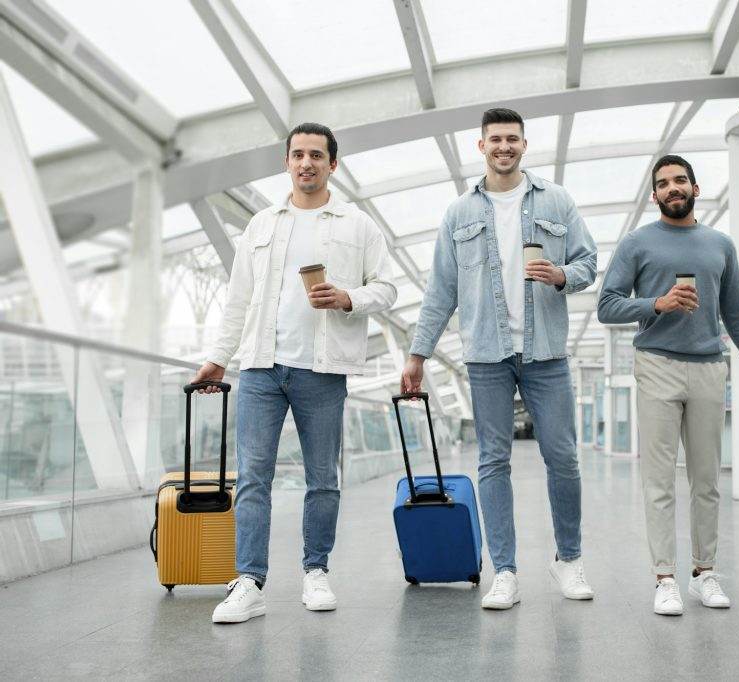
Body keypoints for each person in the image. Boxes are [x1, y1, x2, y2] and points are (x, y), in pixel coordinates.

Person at [191, 123, 397, 623]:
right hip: (261, 368)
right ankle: (249, 581)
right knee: (253, 479)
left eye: (317, 155)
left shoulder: (357, 225)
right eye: (298, 154)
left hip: (323, 371)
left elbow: (387, 288)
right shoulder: (261, 225)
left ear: (333, 163)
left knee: (323, 479)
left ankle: (316, 571)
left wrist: (349, 297)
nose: (307, 163)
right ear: (287, 162)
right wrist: (219, 356)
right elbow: (239, 301)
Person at [401, 108, 598, 610]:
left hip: (546, 351)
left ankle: (568, 559)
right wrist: (418, 353)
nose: (504, 147)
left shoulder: (557, 200)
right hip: (486, 352)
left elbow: (588, 262)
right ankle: (505, 570)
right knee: (493, 461)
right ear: (481, 146)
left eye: (512, 139)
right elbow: (441, 290)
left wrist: (560, 275)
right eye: (496, 139)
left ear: (524, 145)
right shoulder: (459, 213)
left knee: (564, 458)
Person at [597, 154, 739, 616]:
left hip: (708, 368)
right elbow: (606, 306)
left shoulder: (720, 245)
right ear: (654, 195)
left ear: (695, 189)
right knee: (659, 480)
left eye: (680, 180)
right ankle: (665, 578)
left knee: (707, 480)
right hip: (656, 364)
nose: (672, 188)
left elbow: (738, 319)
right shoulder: (636, 244)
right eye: (663, 184)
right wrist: (656, 304)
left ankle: (705, 573)